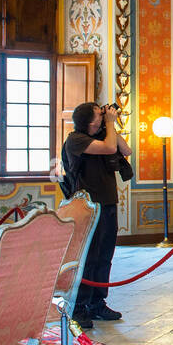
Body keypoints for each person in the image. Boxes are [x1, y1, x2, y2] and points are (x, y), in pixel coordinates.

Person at [62, 101, 133, 330]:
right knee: (88, 257)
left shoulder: (104, 134)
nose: (103, 117)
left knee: (104, 255)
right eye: (98, 116)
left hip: (107, 203)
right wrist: (110, 124)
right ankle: (79, 306)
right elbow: (110, 148)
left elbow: (125, 150)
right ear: (88, 121)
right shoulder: (76, 140)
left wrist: (110, 125)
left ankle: (97, 303)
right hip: (87, 207)